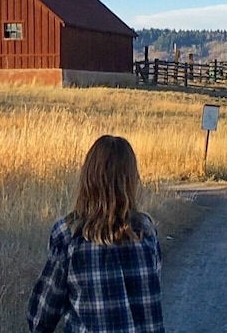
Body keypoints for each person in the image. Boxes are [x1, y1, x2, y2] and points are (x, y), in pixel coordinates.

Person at [28, 135, 164, 332]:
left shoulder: (69, 234)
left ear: (88, 178)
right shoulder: (146, 231)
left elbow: (43, 314)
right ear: (131, 180)